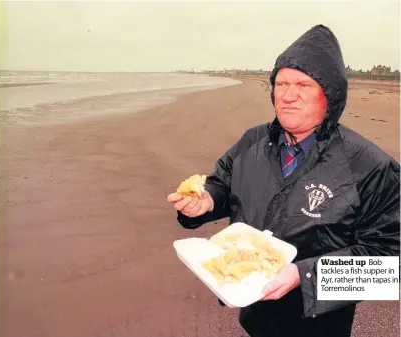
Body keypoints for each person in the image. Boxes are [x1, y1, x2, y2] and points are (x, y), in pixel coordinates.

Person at [167, 24, 400, 337]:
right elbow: (222, 184)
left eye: (303, 85)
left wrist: (303, 277)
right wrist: (204, 202)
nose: (289, 96)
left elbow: (388, 266)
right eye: (281, 83)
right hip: (255, 314)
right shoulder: (253, 141)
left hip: (318, 325)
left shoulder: (371, 167)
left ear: (329, 94)